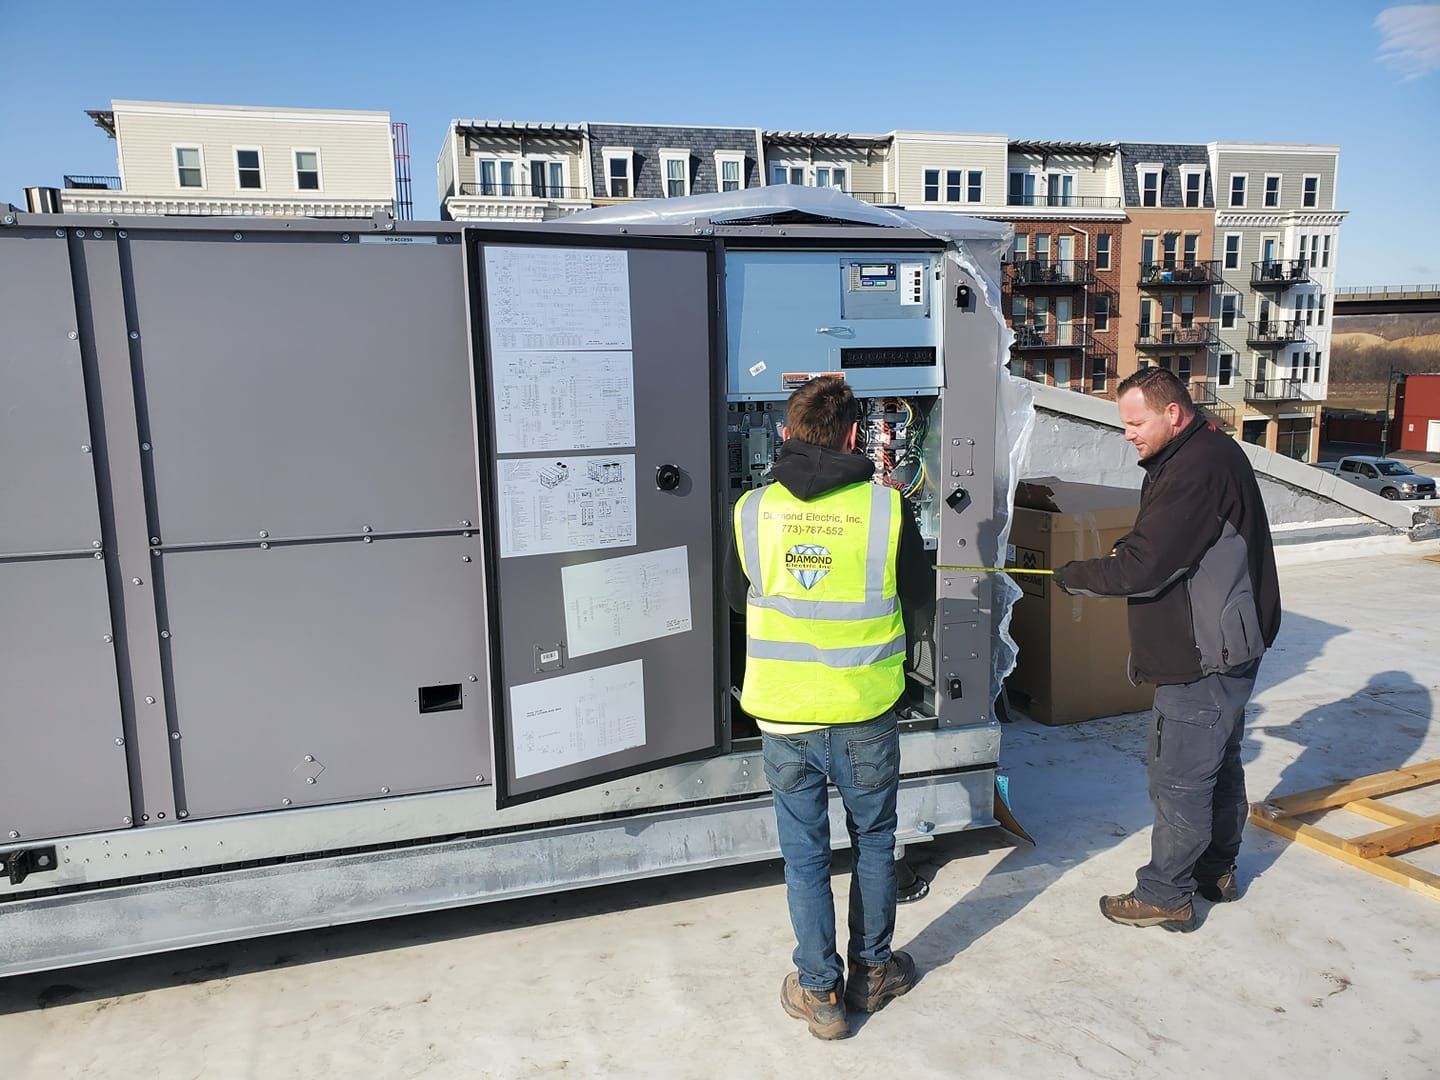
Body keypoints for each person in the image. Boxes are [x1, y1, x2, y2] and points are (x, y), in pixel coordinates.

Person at [725, 376, 930, 1039]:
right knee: (874, 844)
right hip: (866, 712)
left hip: (786, 718)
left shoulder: (752, 510)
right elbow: (920, 601)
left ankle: (819, 993)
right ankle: (871, 973)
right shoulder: (887, 511)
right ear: (853, 438)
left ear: (786, 434)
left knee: (805, 857)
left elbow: (737, 599)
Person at [1054, 367, 1280, 933]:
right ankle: (1216, 870)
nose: (1127, 433)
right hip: (1228, 641)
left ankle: (1166, 893)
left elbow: (1147, 567)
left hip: (1202, 652)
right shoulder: (1201, 455)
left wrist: (1075, 574)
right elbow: (1171, 542)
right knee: (1217, 763)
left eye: (1135, 422)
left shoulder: (1195, 469)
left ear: (1172, 413)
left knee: (1179, 775)